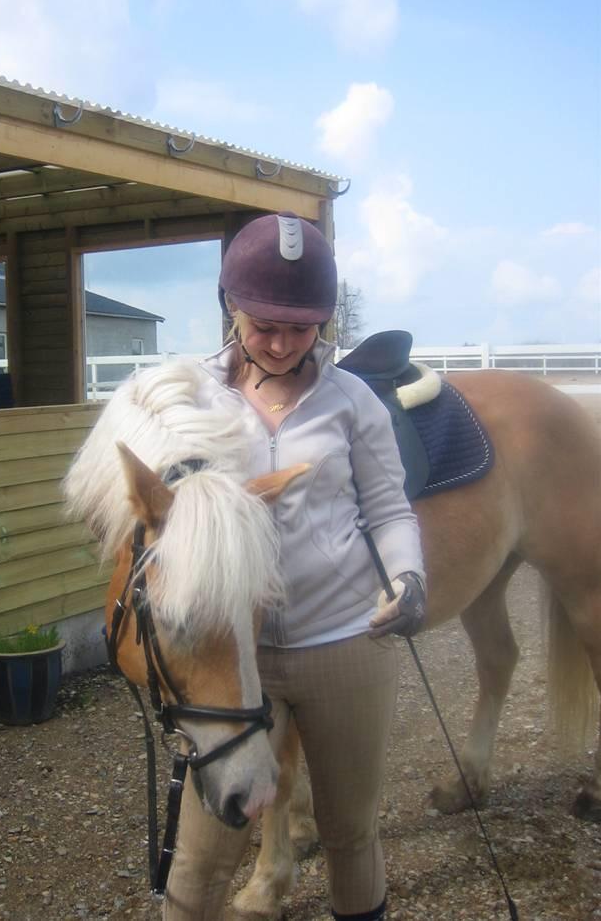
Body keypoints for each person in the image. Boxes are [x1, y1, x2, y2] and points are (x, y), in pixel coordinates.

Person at [164, 212, 426, 921]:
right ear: (232, 308)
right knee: (201, 855)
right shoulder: (188, 397)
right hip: (232, 656)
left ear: (324, 323)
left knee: (349, 834)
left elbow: (390, 510)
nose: (280, 345)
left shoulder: (354, 404)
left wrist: (407, 578)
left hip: (343, 644)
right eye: (263, 326)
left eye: (301, 328)